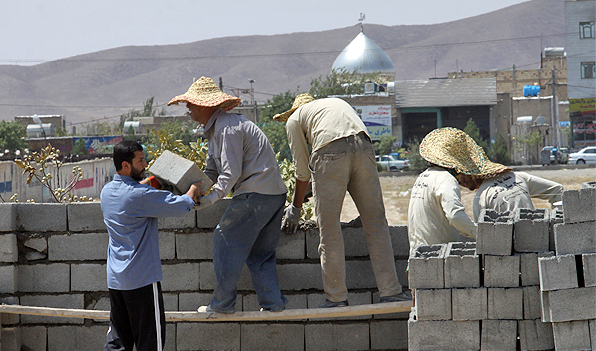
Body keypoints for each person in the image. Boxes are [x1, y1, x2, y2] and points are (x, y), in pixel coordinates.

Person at [94, 140, 202, 351]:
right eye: (141, 161)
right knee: (150, 340)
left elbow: (136, 191)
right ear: (126, 164)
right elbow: (180, 206)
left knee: (118, 338)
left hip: (117, 280)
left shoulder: (107, 192)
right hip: (142, 279)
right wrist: (192, 192)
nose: (145, 165)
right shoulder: (141, 197)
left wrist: (150, 182)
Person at [167, 77, 288, 313]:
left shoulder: (226, 128)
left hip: (256, 194)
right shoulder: (217, 128)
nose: (188, 108)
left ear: (203, 105)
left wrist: (210, 200)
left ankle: (222, 304)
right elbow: (212, 171)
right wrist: (195, 190)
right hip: (273, 194)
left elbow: (231, 173)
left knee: (224, 239)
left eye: (190, 104)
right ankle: (273, 304)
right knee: (260, 255)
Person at [274, 93, 407, 307]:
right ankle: (391, 291)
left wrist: (295, 208)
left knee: (329, 231)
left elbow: (302, 173)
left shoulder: (294, 120)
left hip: (329, 152)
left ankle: (336, 298)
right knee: (376, 223)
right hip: (364, 146)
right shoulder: (336, 103)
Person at [407, 128, 479, 256]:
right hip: (437, 259)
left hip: (417, 256)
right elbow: (455, 215)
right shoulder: (446, 180)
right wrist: (481, 234)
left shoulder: (423, 176)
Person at [456, 171, 563, 221]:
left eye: (461, 174)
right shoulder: (516, 176)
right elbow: (557, 189)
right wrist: (556, 223)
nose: (460, 181)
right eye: (457, 179)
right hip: (538, 239)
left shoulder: (480, 198)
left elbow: (481, 237)